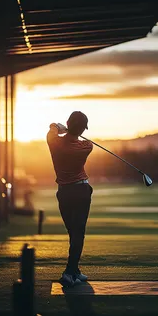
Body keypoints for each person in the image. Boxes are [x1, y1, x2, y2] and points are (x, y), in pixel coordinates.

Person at [47, 111, 93, 287]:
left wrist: (61, 128)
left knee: (72, 231)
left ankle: (75, 271)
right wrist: (74, 132)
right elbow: (84, 140)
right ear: (82, 129)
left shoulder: (53, 141)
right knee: (78, 232)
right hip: (81, 190)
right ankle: (69, 271)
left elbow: (53, 127)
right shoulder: (86, 147)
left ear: (68, 123)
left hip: (64, 192)